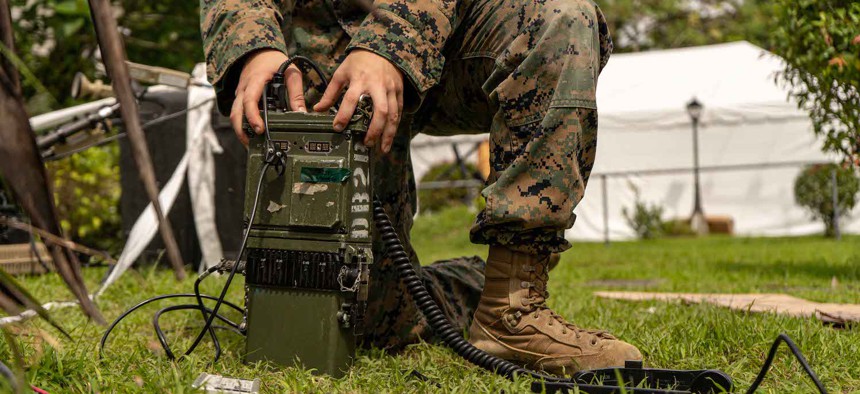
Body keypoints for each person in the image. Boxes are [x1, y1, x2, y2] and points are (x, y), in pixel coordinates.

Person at [201, 0, 641, 375]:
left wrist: (386, 42)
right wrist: (252, 48)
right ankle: (467, 282)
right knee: (370, 323)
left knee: (564, 18)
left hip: (444, 32)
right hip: (318, 59)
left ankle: (512, 309)